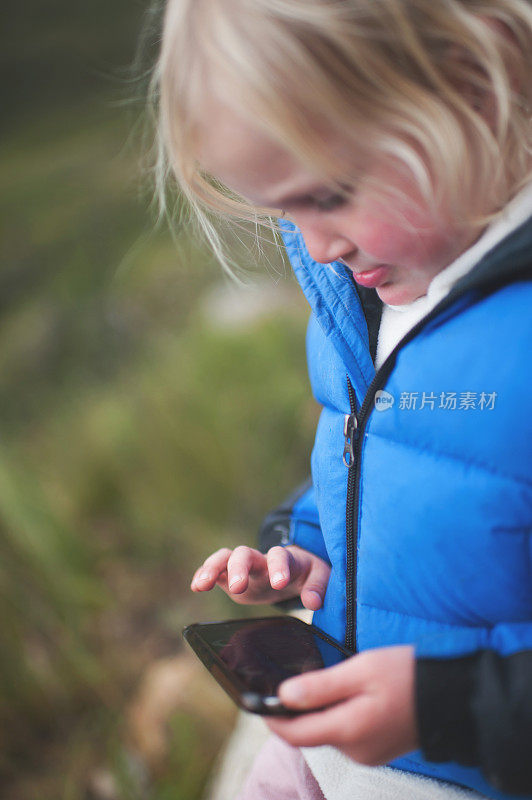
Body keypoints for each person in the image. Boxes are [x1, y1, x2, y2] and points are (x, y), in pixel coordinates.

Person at [151, 1, 532, 798]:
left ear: (474, 91)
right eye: (282, 206)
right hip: (349, 737)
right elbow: (383, 459)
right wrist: (304, 548)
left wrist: (448, 710)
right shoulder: (363, 294)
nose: (316, 245)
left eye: (329, 194)